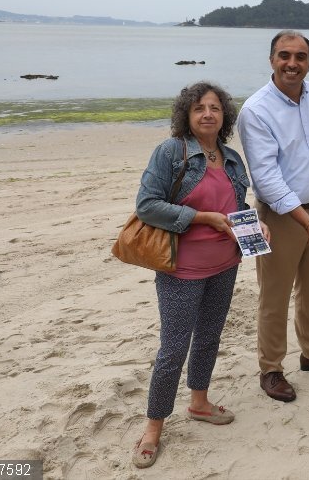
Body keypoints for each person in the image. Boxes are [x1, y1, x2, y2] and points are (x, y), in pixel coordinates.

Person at [131, 81, 268, 469]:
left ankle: (199, 402)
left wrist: (254, 224)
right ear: (186, 116)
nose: (207, 114)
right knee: (173, 350)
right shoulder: (172, 153)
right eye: (199, 109)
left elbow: (235, 205)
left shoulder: (230, 157)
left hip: (225, 264)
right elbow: (147, 206)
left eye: (214, 108)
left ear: (224, 116)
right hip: (182, 268)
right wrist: (201, 218)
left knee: (209, 337)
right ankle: (154, 427)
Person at [237, 30, 309, 403]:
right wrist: (307, 221)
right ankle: (271, 368)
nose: (293, 63)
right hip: (281, 218)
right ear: (271, 59)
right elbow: (266, 180)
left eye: (300, 57)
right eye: (284, 55)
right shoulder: (255, 110)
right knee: (274, 296)